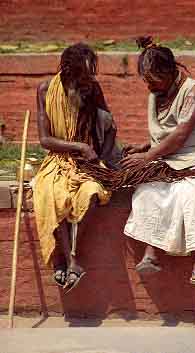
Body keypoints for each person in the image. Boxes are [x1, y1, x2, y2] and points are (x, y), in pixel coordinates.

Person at [121, 36, 195, 285]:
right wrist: (145, 147)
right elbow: (165, 134)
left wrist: (147, 156)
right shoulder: (157, 91)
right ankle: (152, 253)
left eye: (155, 81)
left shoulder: (194, 90)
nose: (150, 87)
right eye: (147, 82)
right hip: (165, 158)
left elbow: (180, 134)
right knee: (148, 190)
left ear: (171, 71)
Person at [34, 43, 117, 292]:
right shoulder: (46, 89)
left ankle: (71, 258)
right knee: (51, 193)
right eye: (85, 73)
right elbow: (45, 140)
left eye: (92, 73)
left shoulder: (92, 89)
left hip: (88, 164)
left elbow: (111, 128)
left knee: (91, 192)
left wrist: (101, 159)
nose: (89, 79)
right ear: (69, 71)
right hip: (58, 161)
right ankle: (69, 262)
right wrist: (80, 147)